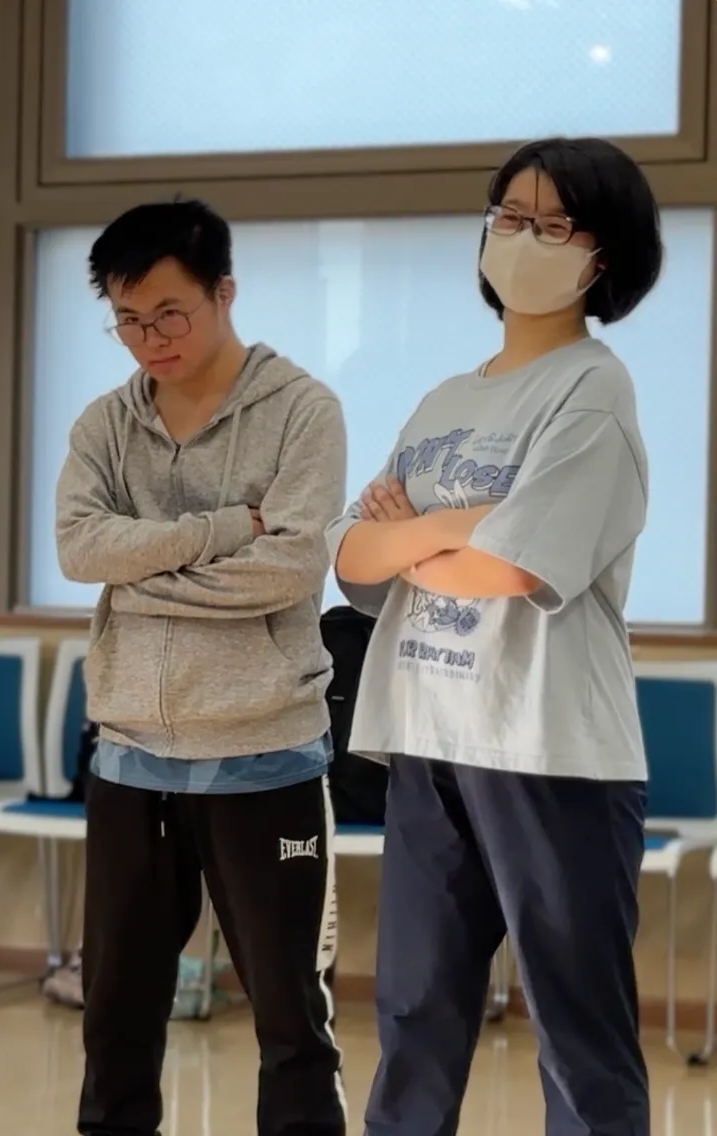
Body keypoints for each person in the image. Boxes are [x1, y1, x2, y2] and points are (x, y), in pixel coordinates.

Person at [329, 136, 659, 1136]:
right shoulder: (446, 399)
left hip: (547, 747)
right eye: (510, 216)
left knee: (577, 1028)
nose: (523, 238)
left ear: (602, 256)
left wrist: (414, 536)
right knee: (413, 1013)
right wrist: (456, 529)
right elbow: (350, 559)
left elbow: (515, 568)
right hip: (428, 734)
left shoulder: (591, 388)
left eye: (554, 224)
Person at [54, 198, 350, 1136]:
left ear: (225, 293)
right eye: (128, 320)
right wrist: (220, 531)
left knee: (291, 1018)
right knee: (115, 1015)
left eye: (169, 314)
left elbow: (291, 568)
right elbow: (78, 548)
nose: (151, 340)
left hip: (265, 753)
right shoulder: (105, 424)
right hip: (131, 756)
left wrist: (140, 576)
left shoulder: (302, 411)